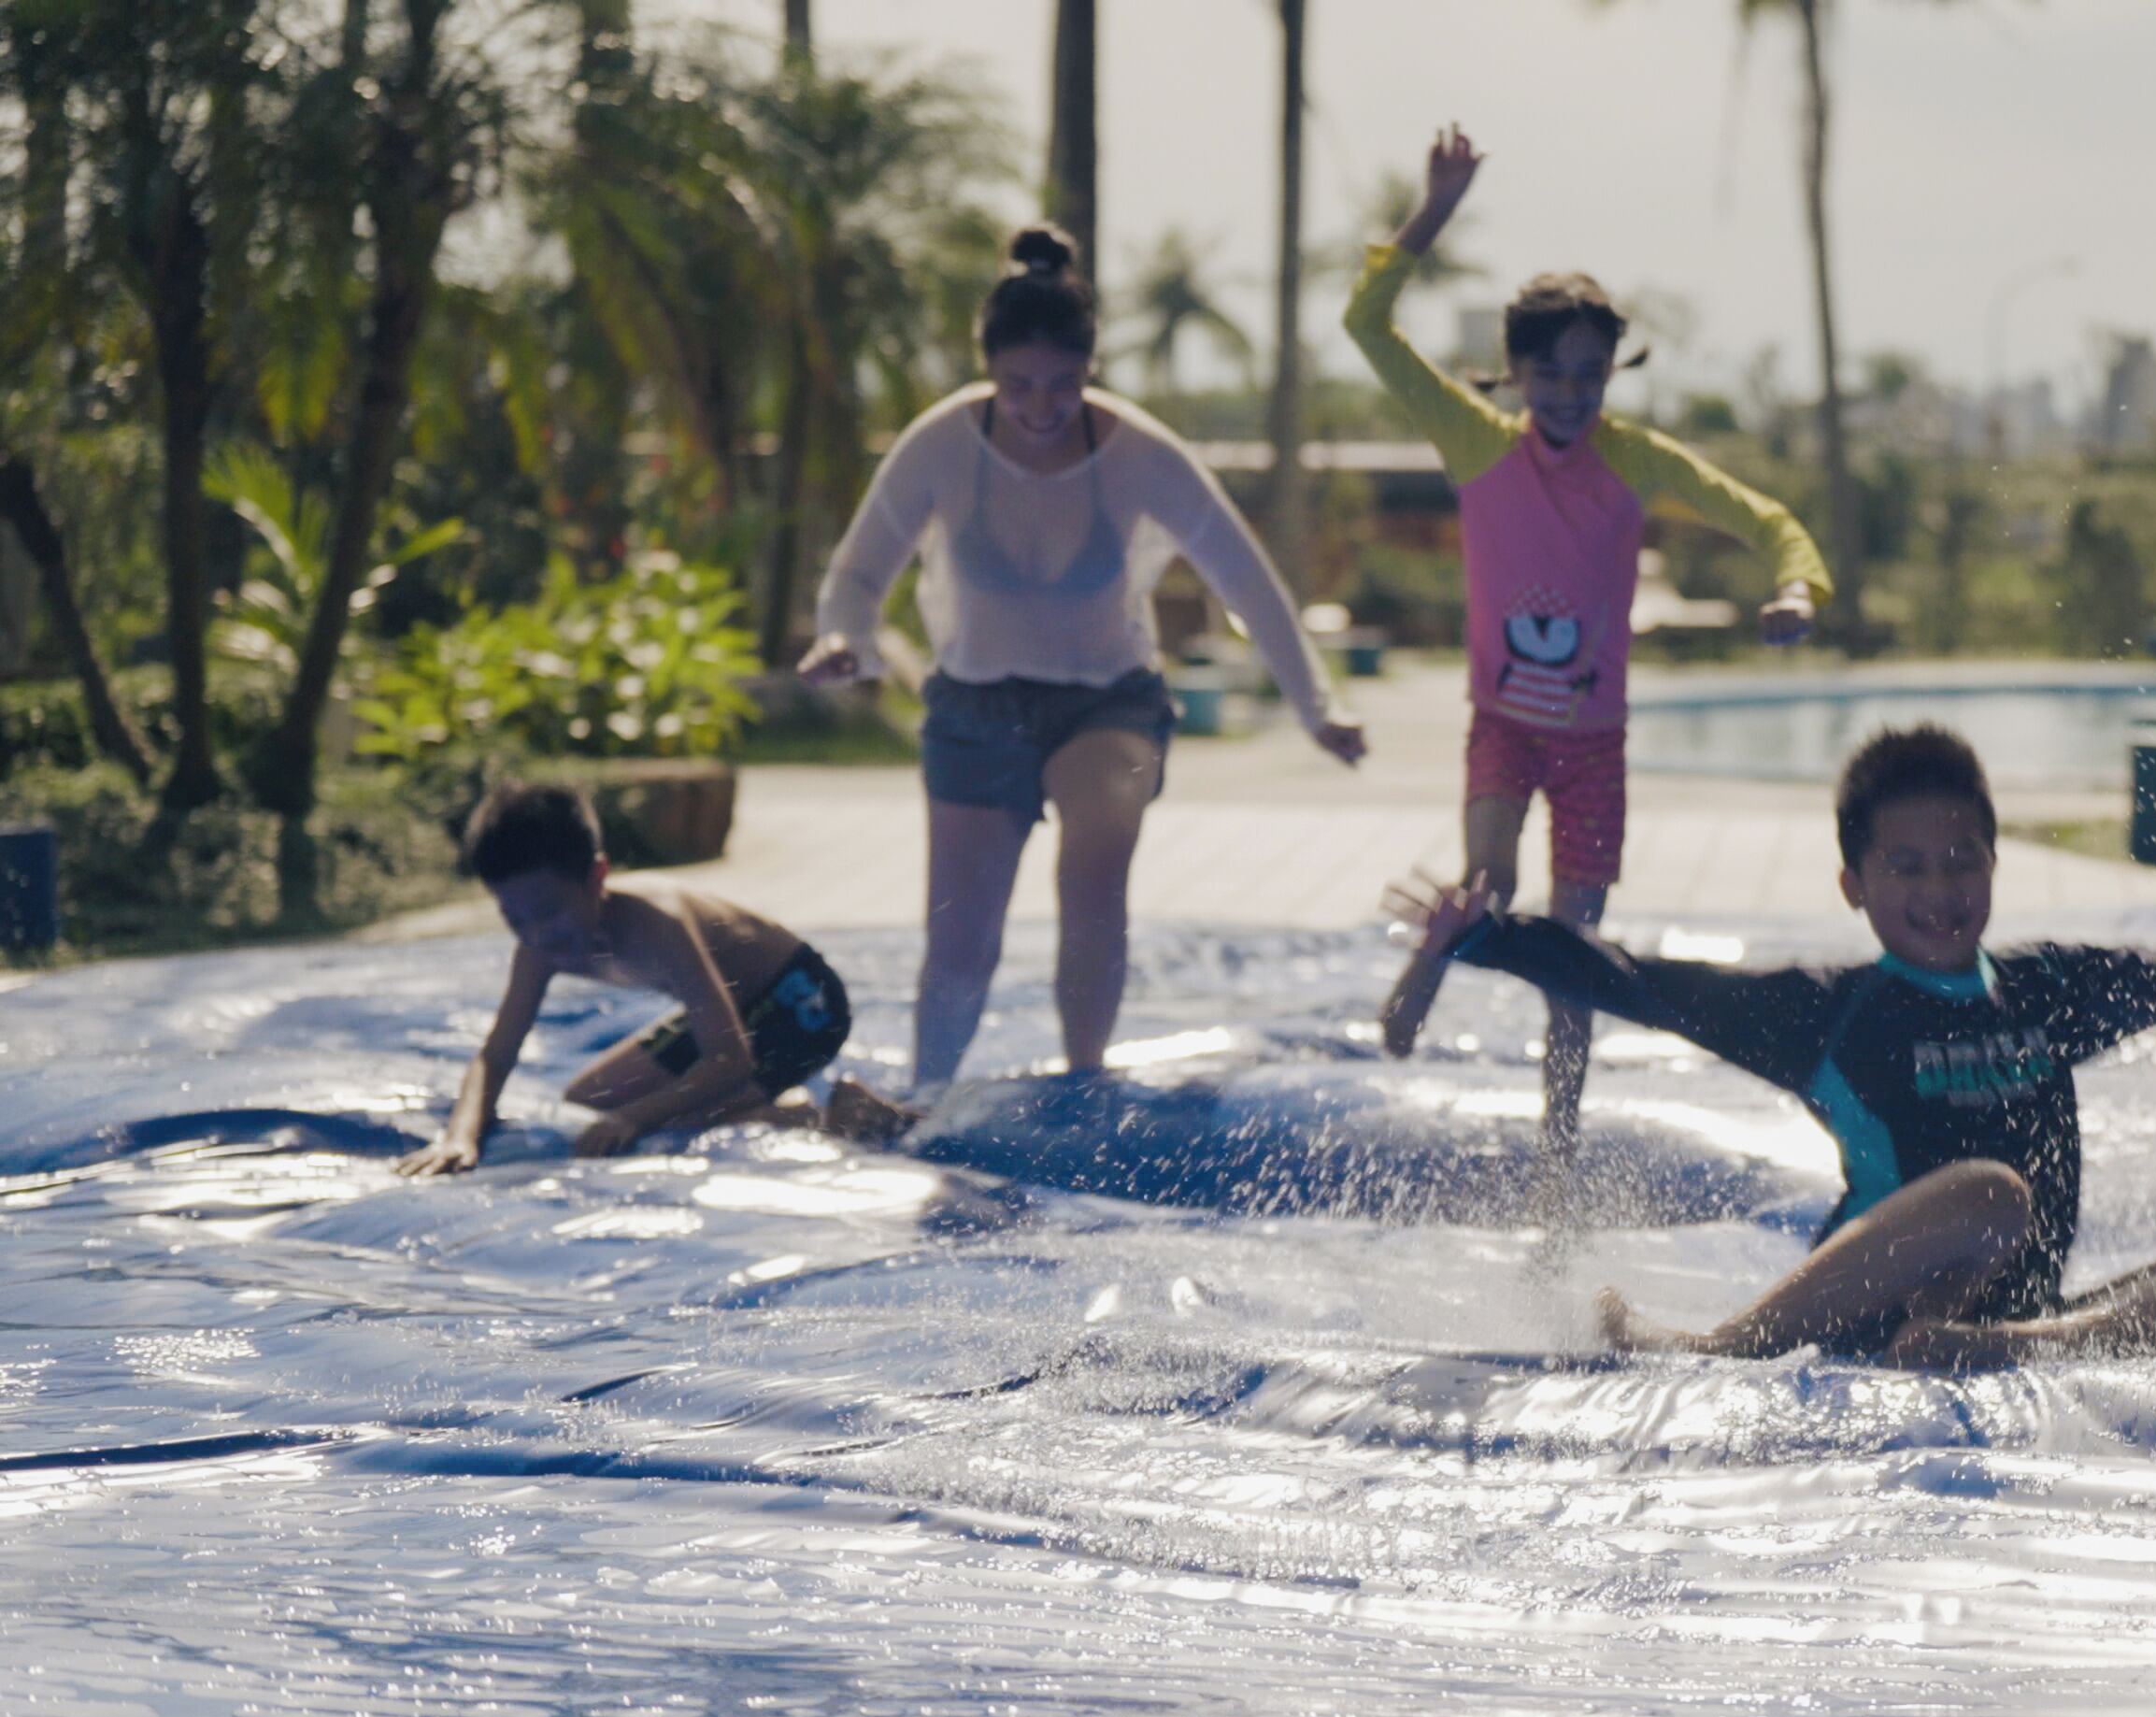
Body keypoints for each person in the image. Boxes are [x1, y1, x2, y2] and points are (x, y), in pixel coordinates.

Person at [1388, 725, 2156, 1369]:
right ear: (1854, 886)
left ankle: (2011, 1349)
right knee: (1992, 1191)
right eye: (1906, 870)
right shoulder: (1831, 1011)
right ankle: (1717, 1347)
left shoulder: (2048, 989)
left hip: (2017, 1312)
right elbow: (1644, 986)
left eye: (1961, 863)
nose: (1940, 893)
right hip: (1858, 1313)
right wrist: (1483, 936)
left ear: (1993, 863)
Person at [1350, 125, 1834, 1183]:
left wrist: (1796, 583)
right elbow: (1368, 324)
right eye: (1550, 375)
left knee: (1576, 959)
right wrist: (1433, 212)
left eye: (1590, 376)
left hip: (1594, 747)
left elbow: (1767, 519)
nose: (1570, 395)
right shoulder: (1478, 443)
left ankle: (1556, 1160)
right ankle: (1424, 976)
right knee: (1485, 879)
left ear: (1611, 373)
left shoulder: (1635, 463)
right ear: (1516, 372)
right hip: (1506, 725)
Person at [800, 224, 1361, 1095]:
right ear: (988, 368)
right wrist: (846, 640)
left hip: (1111, 704)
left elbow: (1246, 579)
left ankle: (1085, 1082)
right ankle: (926, 1099)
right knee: (962, 935)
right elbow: (858, 571)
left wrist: (1316, 707)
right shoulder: (942, 444)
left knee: (1094, 869)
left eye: (1063, 384)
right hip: (975, 707)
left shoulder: (1140, 454)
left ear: (1091, 367)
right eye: (1018, 385)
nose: (1039, 406)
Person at [395, 783, 898, 1176]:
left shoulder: (658, 925)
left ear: (597, 878)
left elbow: (730, 1057)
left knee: (664, 1117)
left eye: (549, 911)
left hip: (806, 1001)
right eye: (516, 918)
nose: (538, 933)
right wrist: (460, 1135)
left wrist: (636, 1118)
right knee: (588, 1100)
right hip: (744, 1006)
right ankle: (775, 1104)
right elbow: (496, 1053)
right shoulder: (537, 948)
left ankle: (836, 1118)